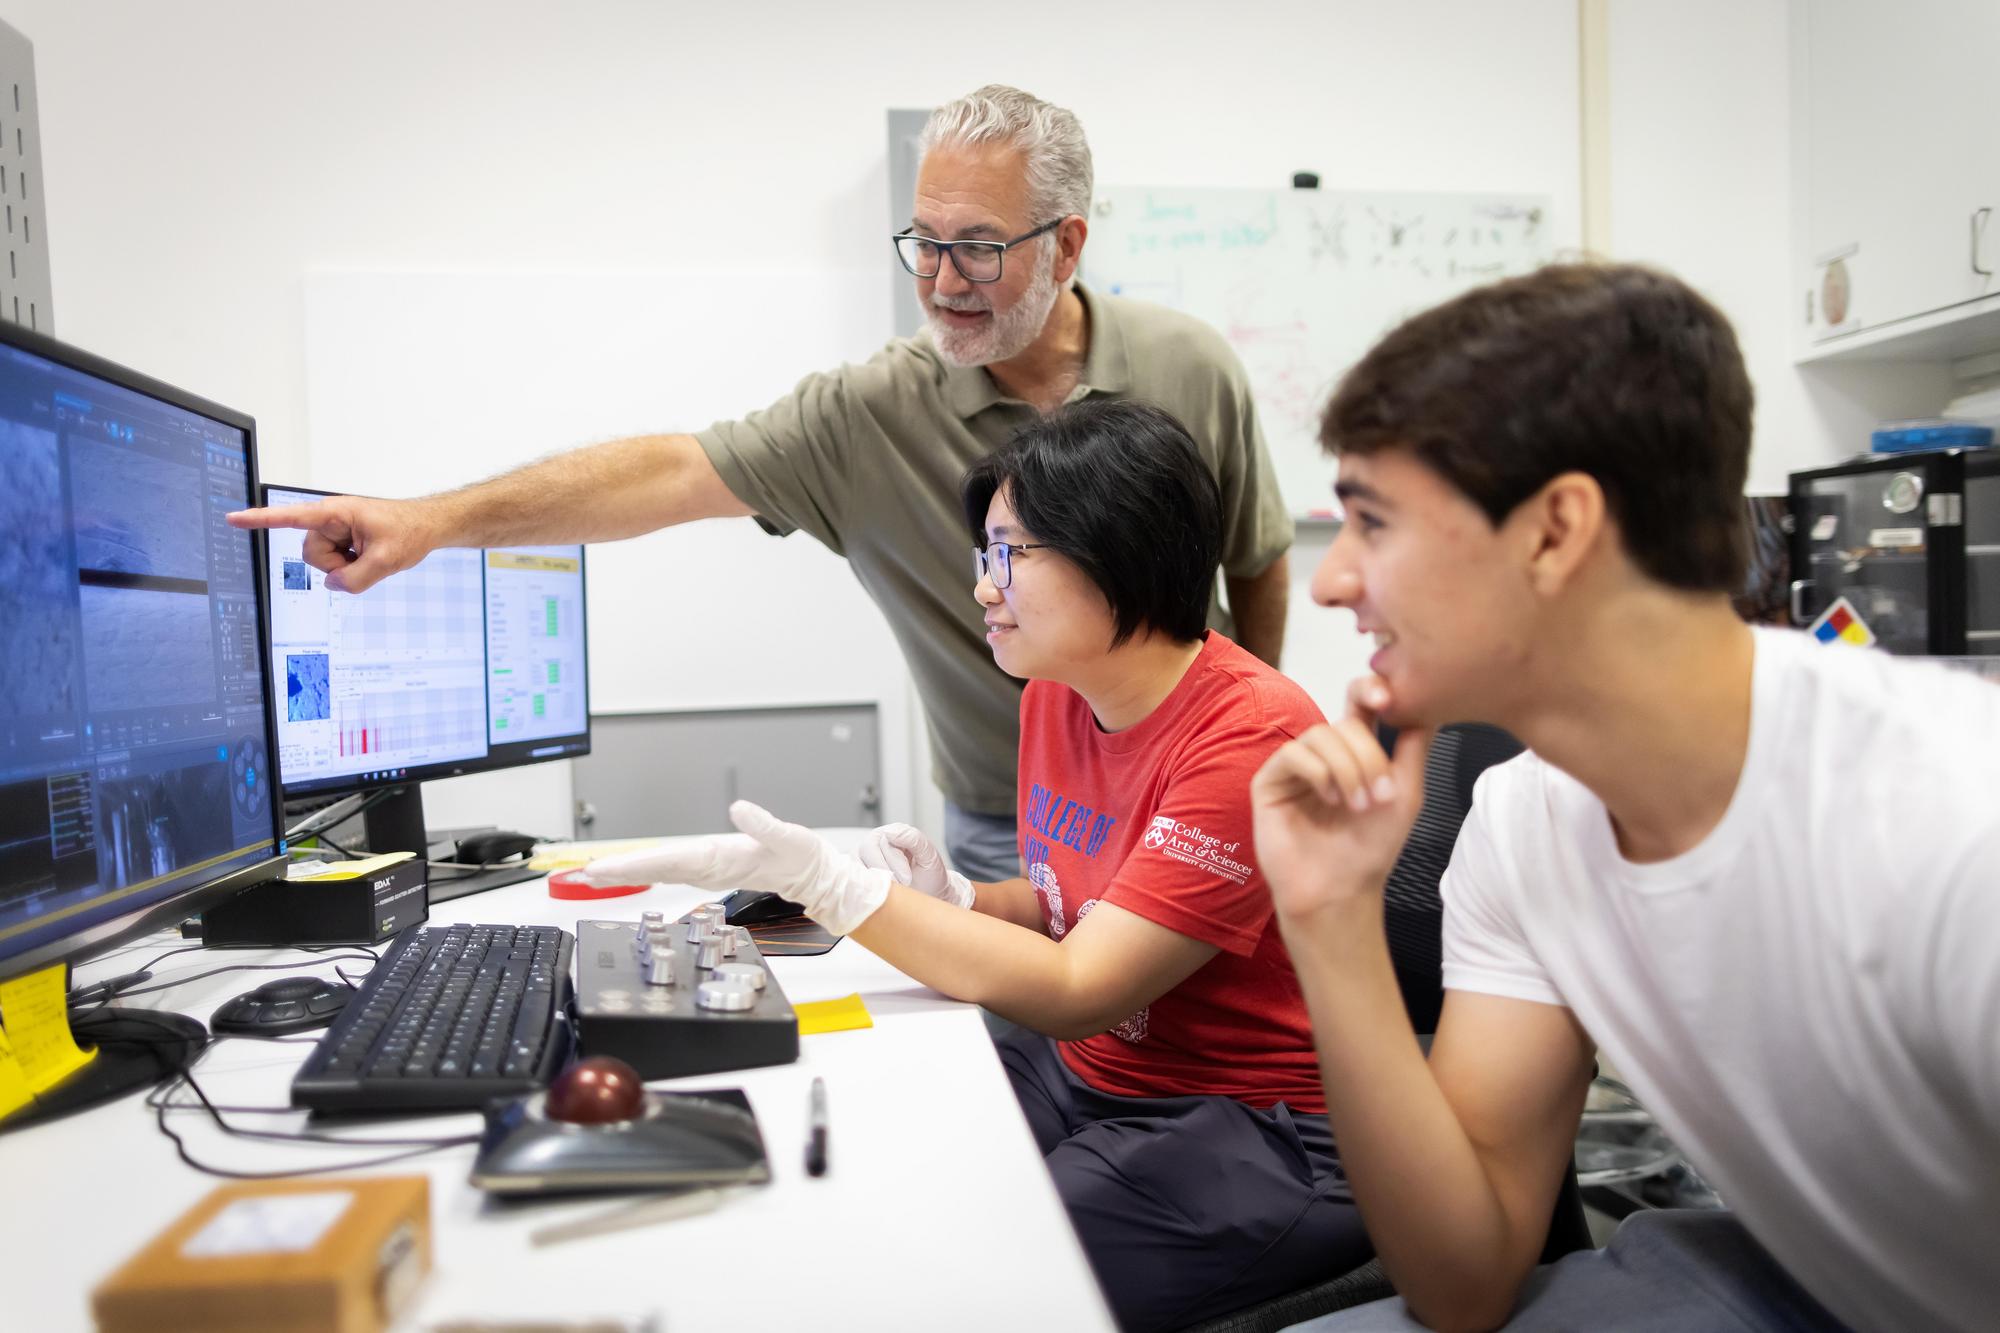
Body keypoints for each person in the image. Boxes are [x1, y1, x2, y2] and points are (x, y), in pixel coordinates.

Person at [226, 84, 1294, 881]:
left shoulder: (1187, 366)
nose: (938, 280)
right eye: (923, 241)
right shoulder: (872, 412)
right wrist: (433, 522)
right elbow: (672, 471)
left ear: (1066, 244)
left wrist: (1231, 746)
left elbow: (1254, 560)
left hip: (1186, 807)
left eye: (977, 246)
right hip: (1012, 820)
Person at [1251, 263, 2000, 1332]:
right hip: (1803, 1273)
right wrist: (1327, 920)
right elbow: (1460, 1281)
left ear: (1555, 530)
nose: (1330, 580)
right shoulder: (1520, 824)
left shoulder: (1951, 822)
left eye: (1371, 522)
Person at [588, 400, 1365, 1332]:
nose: (984, 590)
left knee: (970, 1269)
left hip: (1250, 1119)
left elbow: (1085, 984)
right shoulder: (1057, 696)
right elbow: (1073, 910)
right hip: (1096, 1072)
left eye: (1010, 554)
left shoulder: (1247, 737)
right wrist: (959, 899)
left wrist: (843, 891)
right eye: (982, 556)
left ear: (1118, 545)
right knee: (870, 1139)